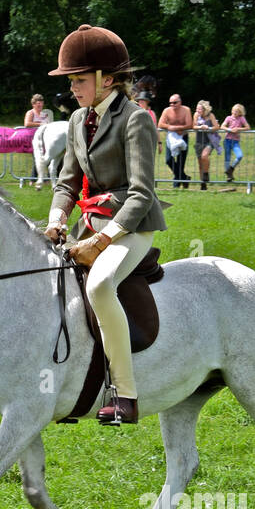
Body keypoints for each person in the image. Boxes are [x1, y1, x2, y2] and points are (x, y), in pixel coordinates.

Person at [43, 24, 168, 428]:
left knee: (98, 285)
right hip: (88, 222)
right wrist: (57, 218)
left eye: (79, 80)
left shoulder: (137, 120)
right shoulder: (79, 119)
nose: (74, 88)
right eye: (72, 81)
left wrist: (104, 238)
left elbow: (141, 193)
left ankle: (126, 395)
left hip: (131, 226)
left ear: (106, 80)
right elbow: (67, 180)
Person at [157, 94, 192, 188]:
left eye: (175, 102)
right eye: (170, 103)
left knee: (181, 161)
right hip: (171, 138)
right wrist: (170, 127)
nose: (172, 104)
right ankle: (185, 178)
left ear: (180, 102)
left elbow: (189, 125)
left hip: (183, 137)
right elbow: (160, 124)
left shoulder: (186, 110)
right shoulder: (166, 111)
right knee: (169, 160)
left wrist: (179, 128)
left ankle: (176, 185)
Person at [25, 93, 54, 187]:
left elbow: (49, 124)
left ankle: (47, 179)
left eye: (41, 103)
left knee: (48, 158)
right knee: (36, 159)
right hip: (33, 139)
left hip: (45, 139)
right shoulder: (30, 113)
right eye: (38, 104)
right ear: (33, 104)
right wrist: (40, 124)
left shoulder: (45, 114)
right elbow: (27, 124)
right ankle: (32, 180)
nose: (40, 105)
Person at [193, 99, 220, 190]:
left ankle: (206, 173)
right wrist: (200, 127)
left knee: (204, 156)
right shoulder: (196, 115)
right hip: (199, 141)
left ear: (205, 110)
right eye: (197, 109)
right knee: (200, 164)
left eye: (199, 109)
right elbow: (193, 126)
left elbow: (217, 127)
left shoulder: (211, 115)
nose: (197, 111)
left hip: (210, 140)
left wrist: (208, 128)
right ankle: (203, 184)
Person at [221, 103, 248, 182]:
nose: (234, 112)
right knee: (227, 158)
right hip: (227, 140)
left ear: (240, 112)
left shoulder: (241, 118)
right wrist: (230, 130)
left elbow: (247, 127)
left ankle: (231, 169)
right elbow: (222, 126)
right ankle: (229, 176)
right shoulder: (228, 118)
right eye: (233, 110)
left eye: (236, 111)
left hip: (236, 141)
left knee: (240, 156)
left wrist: (238, 129)